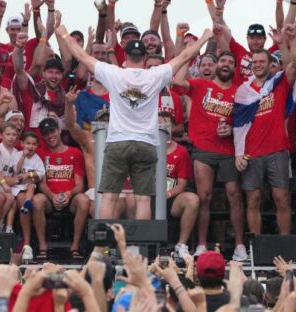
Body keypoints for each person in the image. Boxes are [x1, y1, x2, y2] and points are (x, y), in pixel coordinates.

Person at [57, 24, 214, 222]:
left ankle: (101, 246)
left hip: (118, 142)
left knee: (109, 196)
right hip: (146, 143)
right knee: (142, 199)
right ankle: (141, 248)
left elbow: (82, 56)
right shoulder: (155, 75)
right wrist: (204, 38)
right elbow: (183, 57)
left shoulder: (114, 73)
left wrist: (63, 34)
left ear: (125, 58)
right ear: (144, 59)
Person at [173, 50, 244, 257]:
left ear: (234, 68)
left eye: (230, 62)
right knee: (204, 196)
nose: (226, 64)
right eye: (222, 60)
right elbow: (177, 81)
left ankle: (240, 246)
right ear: (214, 66)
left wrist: (231, 129)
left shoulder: (240, 92)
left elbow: (246, 122)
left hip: (230, 149)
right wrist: (189, 54)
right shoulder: (201, 85)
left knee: (234, 195)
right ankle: (202, 245)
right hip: (204, 149)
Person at [234, 43, 296, 240]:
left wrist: (284, 42)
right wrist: (238, 152)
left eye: (262, 61)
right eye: (254, 62)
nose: (257, 65)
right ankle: (256, 248)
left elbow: (294, 63)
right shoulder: (243, 91)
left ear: (271, 64)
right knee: (253, 200)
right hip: (251, 153)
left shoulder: (279, 84)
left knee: (281, 199)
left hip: (277, 150)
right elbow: (237, 126)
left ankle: (284, 244)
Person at [32, 118, 89, 260]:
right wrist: (53, 196)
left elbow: (80, 185)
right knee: (37, 200)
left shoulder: (75, 152)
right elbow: (41, 183)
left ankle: (75, 246)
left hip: (70, 198)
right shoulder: (40, 153)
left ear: (59, 130)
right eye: (46, 134)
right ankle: (42, 246)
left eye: (52, 131)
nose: (50, 136)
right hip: (50, 199)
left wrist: (68, 194)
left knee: (84, 200)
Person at [10, 131, 45, 262]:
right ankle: (25, 204)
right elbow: (16, 170)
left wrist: (29, 175)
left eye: (34, 144)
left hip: (29, 186)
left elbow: (41, 173)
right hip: (18, 187)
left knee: (31, 185)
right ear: (22, 144)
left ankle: (28, 203)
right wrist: (23, 157)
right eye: (28, 143)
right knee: (20, 197)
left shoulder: (37, 158)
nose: (30, 147)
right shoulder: (18, 155)